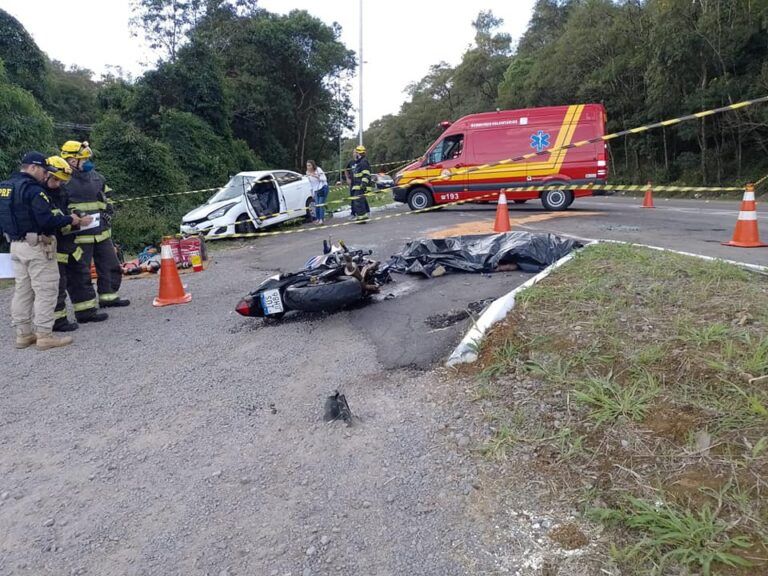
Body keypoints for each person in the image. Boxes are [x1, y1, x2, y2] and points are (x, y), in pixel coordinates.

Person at [0, 152, 89, 350]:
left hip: (15, 245)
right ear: (32, 167)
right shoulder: (33, 190)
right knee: (45, 291)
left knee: (22, 291)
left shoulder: (5, 187)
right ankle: (44, 335)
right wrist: (70, 220)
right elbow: (46, 220)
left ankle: (23, 335)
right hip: (37, 246)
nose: (44, 175)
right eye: (42, 170)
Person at [60, 140, 130, 310]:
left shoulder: (97, 178)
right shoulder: (63, 182)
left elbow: (108, 196)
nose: (87, 163)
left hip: (102, 233)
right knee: (81, 272)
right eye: (83, 160)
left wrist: (109, 209)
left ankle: (109, 296)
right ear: (71, 160)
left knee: (110, 265)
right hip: (79, 236)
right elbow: (59, 208)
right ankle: (85, 307)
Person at [44, 156, 107, 332]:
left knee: (81, 275)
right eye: (55, 180)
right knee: (58, 283)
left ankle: (86, 311)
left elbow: (69, 207)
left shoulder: (60, 190)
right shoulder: (40, 194)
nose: (58, 183)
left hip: (69, 243)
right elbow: (51, 219)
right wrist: (74, 221)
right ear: (46, 175)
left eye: (60, 180)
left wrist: (77, 214)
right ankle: (58, 320)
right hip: (54, 246)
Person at [349, 145, 372, 221]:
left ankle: (361, 217)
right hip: (357, 185)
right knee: (358, 201)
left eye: (356, 152)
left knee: (358, 201)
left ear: (359, 153)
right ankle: (362, 216)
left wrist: (363, 184)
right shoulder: (360, 162)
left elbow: (366, 174)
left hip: (360, 186)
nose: (355, 154)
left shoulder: (363, 162)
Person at [306, 160, 328, 224]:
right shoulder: (307, 172)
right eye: (307, 165)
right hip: (315, 190)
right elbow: (310, 183)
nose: (308, 167)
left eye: (309, 165)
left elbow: (324, 179)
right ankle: (318, 219)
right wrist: (312, 192)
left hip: (323, 187)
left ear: (313, 165)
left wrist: (315, 176)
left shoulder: (318, 170)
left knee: (320, 204)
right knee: (317, 205)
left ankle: (321, 219)